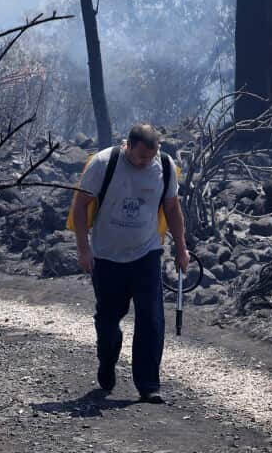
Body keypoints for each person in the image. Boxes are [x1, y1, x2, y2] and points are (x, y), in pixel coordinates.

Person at [70, 123, 189, 404]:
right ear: (128, 145)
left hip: (146, 253)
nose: (145, 162)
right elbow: (79, 204)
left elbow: (172, 208)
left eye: (151, 156)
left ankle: (148, 384)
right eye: (140, 157)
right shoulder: (103, 163)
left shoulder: (164, 166)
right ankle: (107, 360)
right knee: (108, 320)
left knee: (151, 317)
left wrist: (181, 249)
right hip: (107, 256)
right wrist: (83, 249)